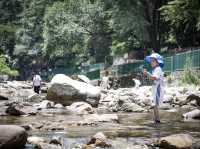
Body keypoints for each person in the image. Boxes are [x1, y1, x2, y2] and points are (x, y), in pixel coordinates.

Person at [143, 53, 164, 123]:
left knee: (155, 105)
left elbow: (154, 78)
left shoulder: (158, 69)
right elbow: (152, 79)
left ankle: (157, 120)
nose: (151, 62)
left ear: (157, 62)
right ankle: (156, 120)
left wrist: (147, 74)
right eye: (151, 61)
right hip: (155, 89)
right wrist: (148, 75)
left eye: (153, 61)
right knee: (155, 105)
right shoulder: (155, 69)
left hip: (158, 90)